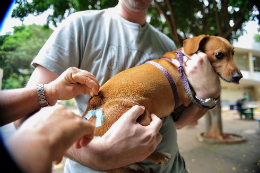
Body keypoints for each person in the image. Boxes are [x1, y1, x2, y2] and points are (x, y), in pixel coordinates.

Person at [14, 0, 220, 172]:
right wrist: (99, 156)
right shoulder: (80, 25)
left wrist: (208, 97)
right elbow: (26, 116)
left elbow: (178, 122)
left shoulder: (166, 46)